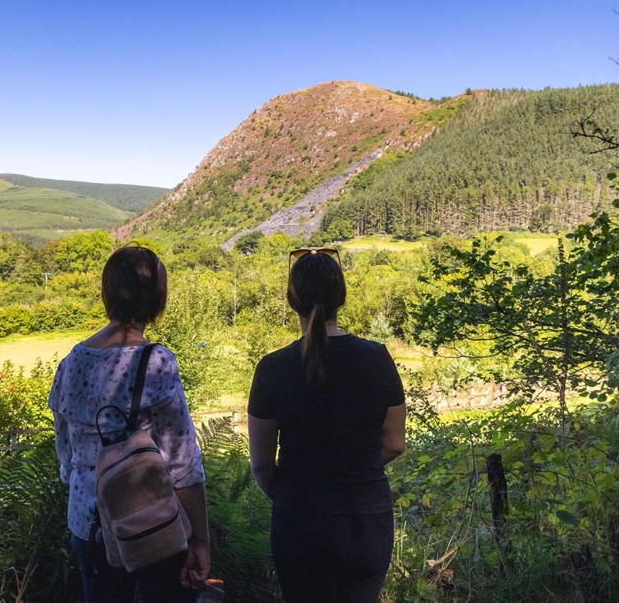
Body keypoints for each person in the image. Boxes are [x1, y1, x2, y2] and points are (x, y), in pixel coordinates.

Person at [49, 245, 210, 603]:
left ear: (107, 295)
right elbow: (182, 465)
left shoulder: (71, 362)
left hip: (87, 527)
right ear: (157, 299)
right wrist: (199, 540)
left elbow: (66, 457)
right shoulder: (157, 362)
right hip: (151, 526)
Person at [247, 248, 406, 603]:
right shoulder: (376, 358)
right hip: (365, 519)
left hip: (298, 520)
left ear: (292, 300)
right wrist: (356, 469)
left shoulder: (272, 369)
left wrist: (295, 494)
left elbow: (260, 466)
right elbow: (395, 443)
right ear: (341, 297)